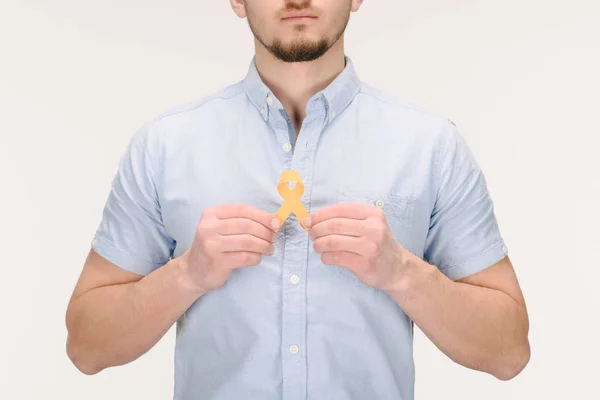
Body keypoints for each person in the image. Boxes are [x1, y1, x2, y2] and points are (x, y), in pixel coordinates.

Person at [65, 1, 530, 399]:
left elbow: (508, 352)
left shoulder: (431, 147)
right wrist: (186, 274)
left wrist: (403, 273)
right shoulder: (164, 146)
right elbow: (86, 346)